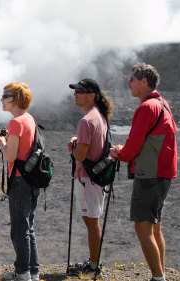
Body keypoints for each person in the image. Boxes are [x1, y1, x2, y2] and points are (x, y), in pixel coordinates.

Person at [109, 64, 177, 281]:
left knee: (143, 228)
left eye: (132, 79)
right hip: (163, 173)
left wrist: (119, 153)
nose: (129, 83)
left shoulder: (147, 108)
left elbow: (133, 145)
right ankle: (161, 273)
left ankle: (158, 278)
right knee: (155, 227)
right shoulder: (162, 104)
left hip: (150, 174)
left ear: (144, 81)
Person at [0, 82, 40, 281]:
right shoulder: (29, 119)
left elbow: (11, 156)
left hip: (20, 181)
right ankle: (33, 271)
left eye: (6, 96)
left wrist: (1, 143)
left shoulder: (16, 123)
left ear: (17, 99)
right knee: (28, 227)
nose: (2, 99)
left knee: (19, 229)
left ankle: (22, 274)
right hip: (32, 179)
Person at [66, 78, 113, 277]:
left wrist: (72, 148)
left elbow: (81, 156)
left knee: (92, 222)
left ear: (91, 95)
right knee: (93, 221)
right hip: (96, 178)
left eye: (80, 91)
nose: (75, 94)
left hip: (87, 178)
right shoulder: (99, 116)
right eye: (75, 91)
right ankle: (94, 262)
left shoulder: (86, 121)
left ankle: (94, 266)